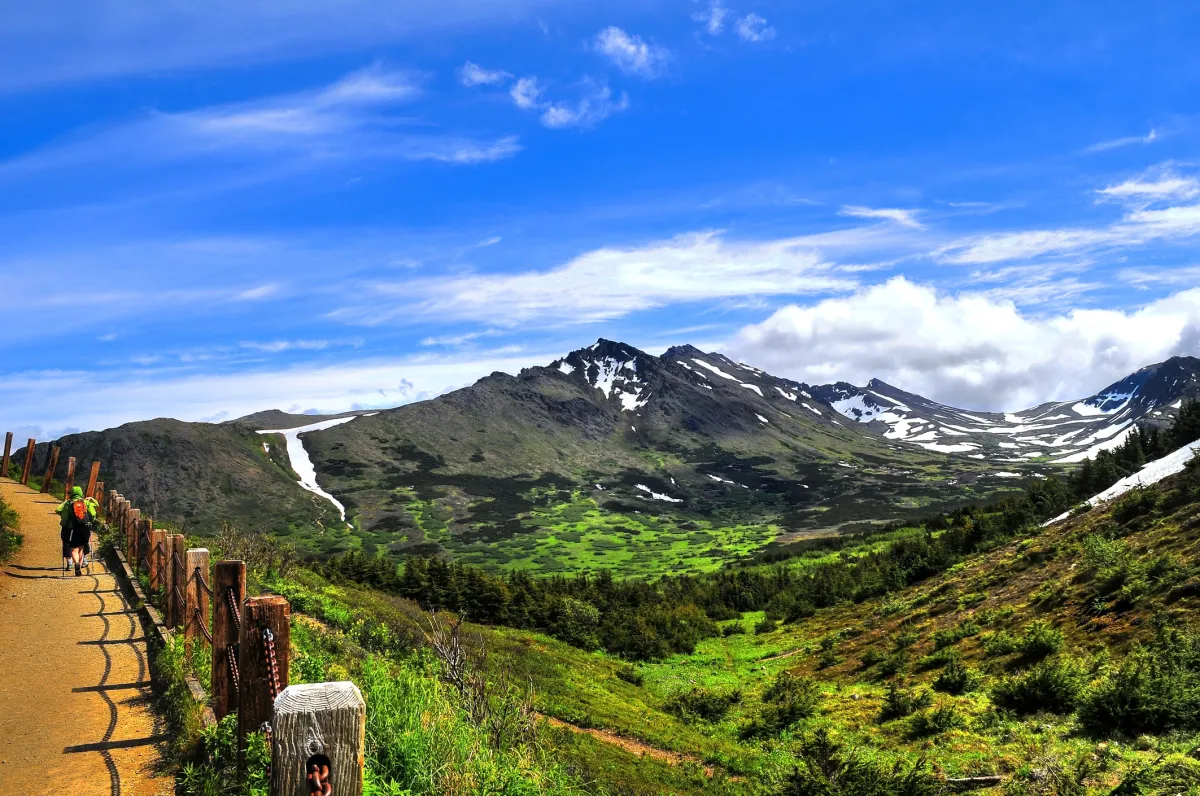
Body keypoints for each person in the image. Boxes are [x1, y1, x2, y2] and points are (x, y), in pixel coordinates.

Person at [57, 486, 98, 576]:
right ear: (80, 493)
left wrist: (64, 523)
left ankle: (76, 563)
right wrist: (90, 522)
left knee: (74, 549)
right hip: (85, 528)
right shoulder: (86, 502)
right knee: (81, 548)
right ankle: (79, 564)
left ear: (71, 493)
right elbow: (93, 514)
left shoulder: (68, 503)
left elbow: (60, 512)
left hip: (73, 529)